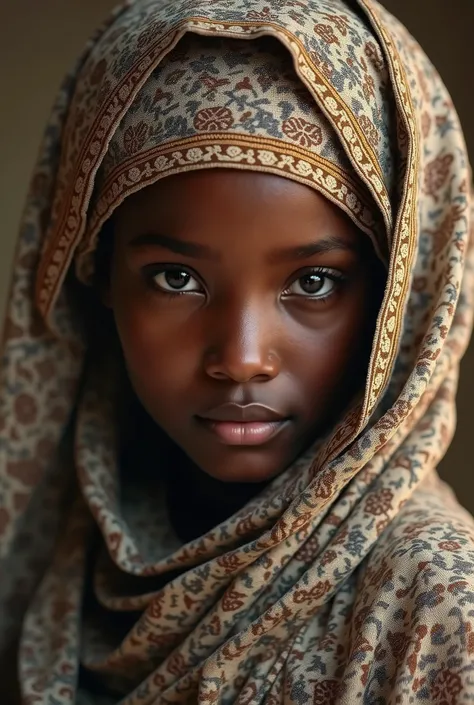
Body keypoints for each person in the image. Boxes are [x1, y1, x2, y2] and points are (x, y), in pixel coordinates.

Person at [1, 0, 473, 702]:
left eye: (314, 282)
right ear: (95, 273)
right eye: (176, 278)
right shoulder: (57, 548)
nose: (243, 357)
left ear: (396, 300)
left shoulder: (436, 604)